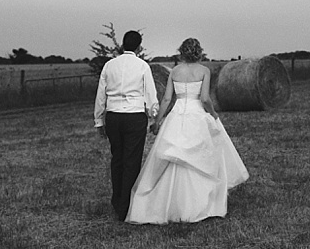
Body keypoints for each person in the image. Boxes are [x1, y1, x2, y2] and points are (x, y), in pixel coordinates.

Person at [126, 38, 249, 224]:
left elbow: (167, 99)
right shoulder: (204, 71)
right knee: (200, 157)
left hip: (177, 115)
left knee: (173, 157)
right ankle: (198, 206)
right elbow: (205, 99)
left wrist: (158, 121)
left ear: (182, 51)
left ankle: (169, 205)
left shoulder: (175, 71)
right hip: (196, 114)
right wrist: (214, 114)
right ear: (199, 52)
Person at [94, 30, 159, 221]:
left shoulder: (109, 65)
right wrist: (153, 116)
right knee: (132, 160)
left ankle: (117, 201)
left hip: (113, 116)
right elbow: (151, 94)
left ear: (122, 44)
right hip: (134, 116)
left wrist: (99, 120)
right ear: (139, 47)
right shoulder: (142, 66)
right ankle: (126, 206)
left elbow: (100, 95)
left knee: (118, 158)